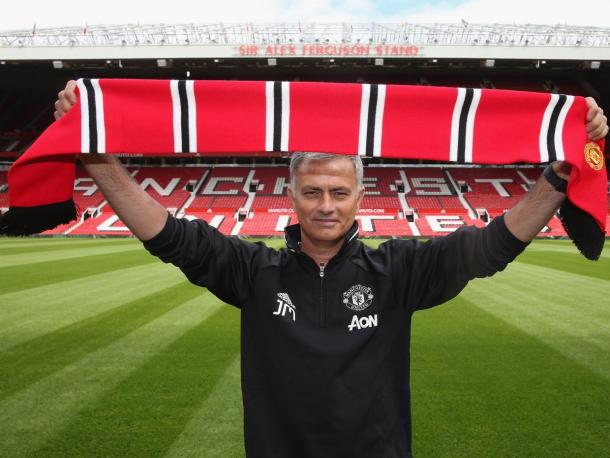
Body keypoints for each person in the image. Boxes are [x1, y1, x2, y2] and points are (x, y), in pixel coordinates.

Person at [54, 80, 607, 457]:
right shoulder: (252, 271)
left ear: (360, 195)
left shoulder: (400, 269)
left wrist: (559, 175)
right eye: (312, 191)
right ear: (290, 195)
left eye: (339, 192)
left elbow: (493, 245)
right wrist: (95, 155)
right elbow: (169, 236)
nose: (325, 204)